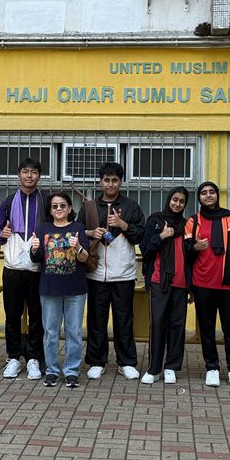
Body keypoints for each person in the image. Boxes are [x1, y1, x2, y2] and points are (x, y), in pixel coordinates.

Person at [82, 162, 145, 381]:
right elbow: (77, 232)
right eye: (106, 180)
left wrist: (123, 224)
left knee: (124, 320)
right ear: (100, 182)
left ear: (121, 182)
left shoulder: (131, 206)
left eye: (115, 180)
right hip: (95, 273)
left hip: (123, 273)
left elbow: (141, 235)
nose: (110, 184)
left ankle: (126, 362)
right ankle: (96, 362)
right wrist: (91, 232)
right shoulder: (89, 207)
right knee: (96, 320)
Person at [185, 182, 230, 389]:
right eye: (204, 193)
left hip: (229, 285)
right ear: (199, 197)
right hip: (202, 283)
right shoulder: (193, 221)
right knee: (207, 329)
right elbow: (184, 252)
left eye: (212, 192)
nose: (208, 195)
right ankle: (211, 368)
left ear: (217, 195)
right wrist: (195, 247)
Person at [0, 157, 48, 380]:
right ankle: (13, 357)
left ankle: (34, 358)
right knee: (12, 315)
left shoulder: (46, 200)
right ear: (19, 175)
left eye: (34, 172)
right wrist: (2, 234)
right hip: (13, 267)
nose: (29, 176)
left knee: (37, 316)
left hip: (38, 268)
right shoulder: (8, 201)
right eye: (25, 171)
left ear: (39, 176)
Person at [29, 191, 89, 388]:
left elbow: (85, 258)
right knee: (50, 332)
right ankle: (52, 371)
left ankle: (71, 371)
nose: (59, 209)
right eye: (55, 206)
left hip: (75, 290)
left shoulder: (78, 228)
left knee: (74, 332)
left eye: (63, 205)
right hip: (49, 290)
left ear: (70, 208)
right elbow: (36, 259)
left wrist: (78, 247)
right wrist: (34, 248)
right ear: (50, 210)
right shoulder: (42, 229)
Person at [139, 187, 190, 385]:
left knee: (177, 325)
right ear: (169, 199)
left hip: (181, 282)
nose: (177, 204)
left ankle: (171, 367)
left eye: (182, 201)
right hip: (159, 280)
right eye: (175, 199)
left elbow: (190, 255)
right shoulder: (156, 220)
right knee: (158, 323)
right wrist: (161, 236)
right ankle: (154, 368)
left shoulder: (187, 225)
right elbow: (145, 248)